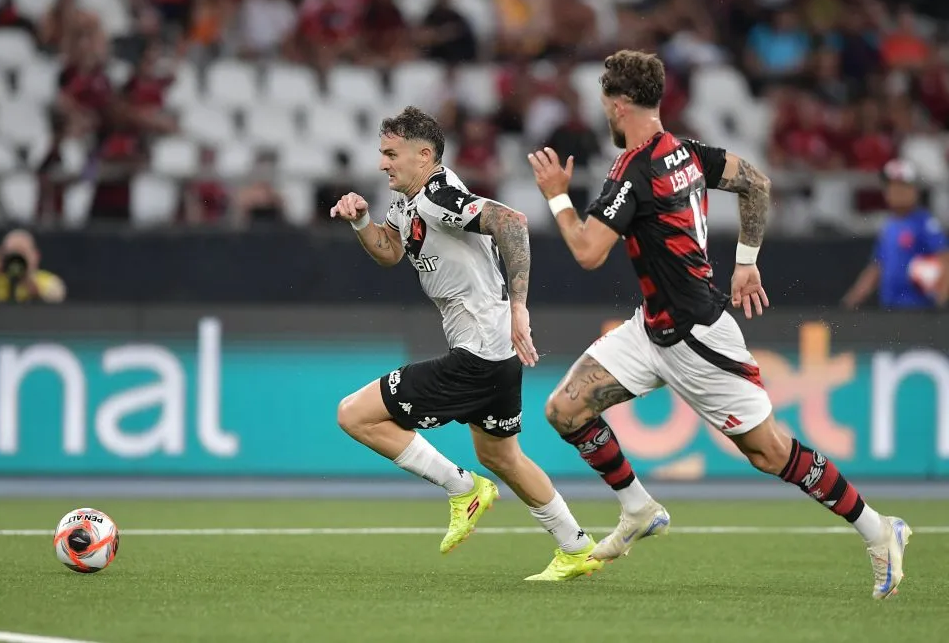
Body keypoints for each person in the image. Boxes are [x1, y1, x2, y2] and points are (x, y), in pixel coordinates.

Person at [526, 50, 910, 600]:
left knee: (768, 452)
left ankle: (879, 529)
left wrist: (557, 196)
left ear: (619, 104)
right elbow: (757, 182)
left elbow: (588, 251)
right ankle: (638, 508)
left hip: (698, 339)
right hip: (650, 329)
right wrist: (747, 260)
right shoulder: (687, 152)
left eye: (605, 107)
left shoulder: (634, 168)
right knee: (565, 409)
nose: (604, 117)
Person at [331, 106, 603, 581]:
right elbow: (391, 252)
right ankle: (576, 546)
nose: (382, 164)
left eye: (390, 154)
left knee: (353, 414)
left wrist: (519, 306)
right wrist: (360, 222)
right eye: (381, 153)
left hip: (478, 352)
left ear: (424, 155)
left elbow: (513, 222)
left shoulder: (439, 195)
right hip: (493, 353)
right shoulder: (407, 198)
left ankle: (461, 489)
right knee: (501, 456)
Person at [842, 159, 949, 309]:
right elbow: (877, 266)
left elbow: (944, 259)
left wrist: (941, 302)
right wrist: (853, 298)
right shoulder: (888, 226)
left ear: (914, 191)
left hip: (920, 311)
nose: (896, 192)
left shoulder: (924, 223)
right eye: (891, 187)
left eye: (902, 187)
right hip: (891, 309)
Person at [0, 229, 66, 304]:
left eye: (22, 252)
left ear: (35, 256)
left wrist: (29, 281)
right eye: (12, 252)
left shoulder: (49, 282)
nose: (17, 260)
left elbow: (54, 306)